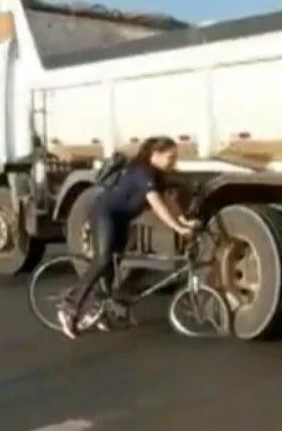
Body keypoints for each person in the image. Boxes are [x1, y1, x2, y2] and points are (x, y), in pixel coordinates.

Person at [58, 136, 199, 339]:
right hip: (105, 213)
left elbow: (169, 201)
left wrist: (185, 221)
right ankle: (70, 307)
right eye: (170, 157)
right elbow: (158, 207)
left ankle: (100, 308)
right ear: (155, 155)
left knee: (114, 263)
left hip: (123, 219)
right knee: (102, 260)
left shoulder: (157, 174)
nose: (173, 162)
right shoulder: (142, 173)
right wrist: (177, 227)